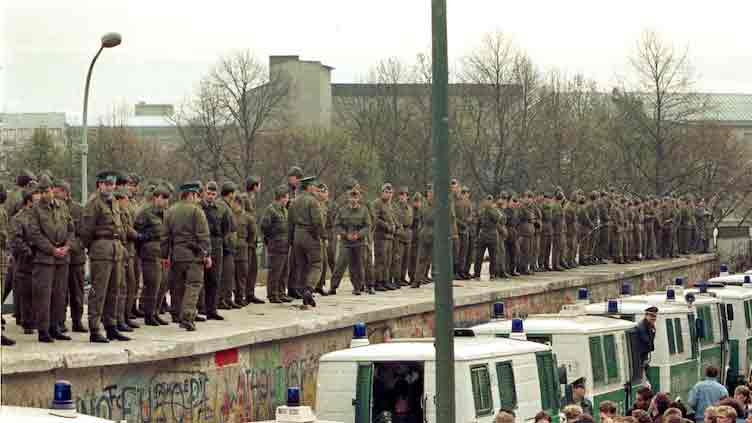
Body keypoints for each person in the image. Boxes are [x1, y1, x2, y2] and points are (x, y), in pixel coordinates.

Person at [81, 170, 129, 343]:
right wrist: (91, 248)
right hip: (101, 249)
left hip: (115, 249)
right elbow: (86, 231)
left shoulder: (114, 202)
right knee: (99, 291)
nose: (110, 187)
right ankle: (94, 328)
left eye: (112, 184)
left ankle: (111, 326)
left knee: (114, 291)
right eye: (106, 184)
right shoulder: (94, 203)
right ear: (99, 185)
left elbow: (120, 226)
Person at [163, 181, 211, 331]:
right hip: (194, 255)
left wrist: (165, 256)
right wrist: (206, 255)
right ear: (191, 194)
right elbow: (203, 236)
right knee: (193, 286)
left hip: (177, 255)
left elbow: (165, 237)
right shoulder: (197, 211)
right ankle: (188, 317)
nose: (198, 198)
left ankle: (176, 313)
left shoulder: (170, 211)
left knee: (177, 286)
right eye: (196, 195)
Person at [134, 184, 171, 325]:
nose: (166, 201)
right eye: (164, 198)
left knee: (162, 284)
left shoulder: (166, 213)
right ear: (156, 198)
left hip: (162, 251)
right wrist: (144, 241)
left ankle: (155, 312)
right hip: (149, 251)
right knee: (152, 284)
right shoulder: (145, 212)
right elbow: (136, 232)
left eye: (167, 199)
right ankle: (149, 314)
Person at [288, 176, 324, 307]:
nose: (315, 189)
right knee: (316, 264)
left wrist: (291, 240)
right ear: (308, 187)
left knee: (302, 266)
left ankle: (304, 293)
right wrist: (321, 236)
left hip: (297, 235)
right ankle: (309, 289)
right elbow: (317, 222)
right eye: (314, 186)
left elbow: (290, 223)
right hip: (310, 235)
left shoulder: (294, 202)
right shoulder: (312, 201)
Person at [328, 188, 371, 295]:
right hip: (345, 242)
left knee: (357, 265)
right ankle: (333, 287)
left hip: (359, 242)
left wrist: (359, 234)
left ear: (358, 198)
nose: (353, 199)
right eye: (351, 197)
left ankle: (357, 287)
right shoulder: (342, 210)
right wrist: (345, 234)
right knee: (340, 264)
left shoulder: (364, 210)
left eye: (355, 197)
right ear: (348, 198)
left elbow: (368, 226)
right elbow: (337, 225)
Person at [259, 185, 292, 303]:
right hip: (276, 244)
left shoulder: (284, 210)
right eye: (287, 197)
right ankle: (272, 294)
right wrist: (271, 237)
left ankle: (281, 292)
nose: (288, 199)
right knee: (275, 271)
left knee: (284, 270)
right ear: (282, 198)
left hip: (284, 245)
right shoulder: (271, 209)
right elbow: (264, 226)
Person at [636, 306, 658, 379]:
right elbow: (646, 340)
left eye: (654, 316)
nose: (653, 318)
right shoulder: (641, 326)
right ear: (646, 315)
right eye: (651, 316)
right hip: (640, 356)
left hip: (645, 354)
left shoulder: (650, 325)